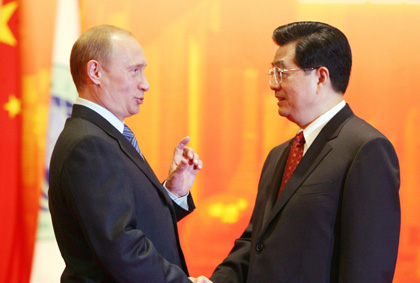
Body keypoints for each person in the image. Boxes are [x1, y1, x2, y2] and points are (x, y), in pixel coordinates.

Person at [211, 21, 400, 282]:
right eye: (272, 74)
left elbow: (367, 267)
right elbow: (255, 242)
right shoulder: (279, 155)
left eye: (282, 73)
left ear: (320, 77)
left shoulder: (365, 149)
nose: (273, 85)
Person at [48, 25, 211, 283]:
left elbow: (129, 223)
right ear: (95, 72)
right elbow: (121, 249)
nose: (145, 84)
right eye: (134, 71)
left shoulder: (101, 135)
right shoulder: (89, 145)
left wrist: (173, 192)